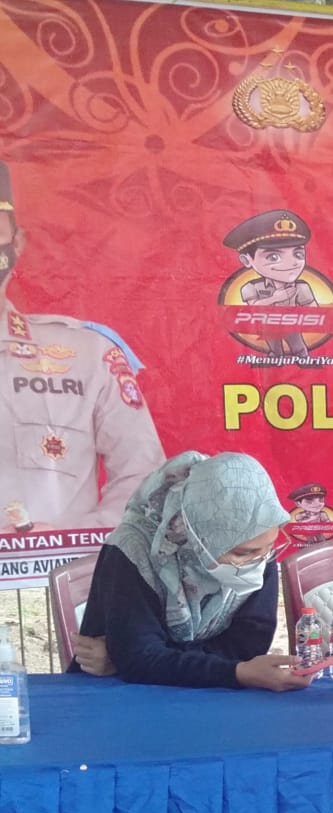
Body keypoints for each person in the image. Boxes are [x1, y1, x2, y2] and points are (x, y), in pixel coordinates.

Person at [1, 159, 164, 534]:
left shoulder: (85, 355)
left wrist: (72, 541)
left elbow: (144, 477)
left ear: (17, 242)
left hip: (58, 569)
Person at [71, 451, 311, 691]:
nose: (258, 561)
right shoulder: (133, 549)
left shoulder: (260, 552)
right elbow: (140, 659)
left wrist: (135, 659)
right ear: (198, 536)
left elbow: (247, 647)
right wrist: (235, 671)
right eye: (241, 554)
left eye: (268, 547)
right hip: (116, 696)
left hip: (212, 694)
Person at [223, 210, 318, 359]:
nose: (292, 263)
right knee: (275, 353)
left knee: (300, 350)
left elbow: (315, 311)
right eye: (273, 257)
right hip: (267, 328)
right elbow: (252, 309)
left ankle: (305, 364)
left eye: (298, 254)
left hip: (291, 327)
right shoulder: (251, 287)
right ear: (247, 260)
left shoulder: (301, 287)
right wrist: (275, 298)